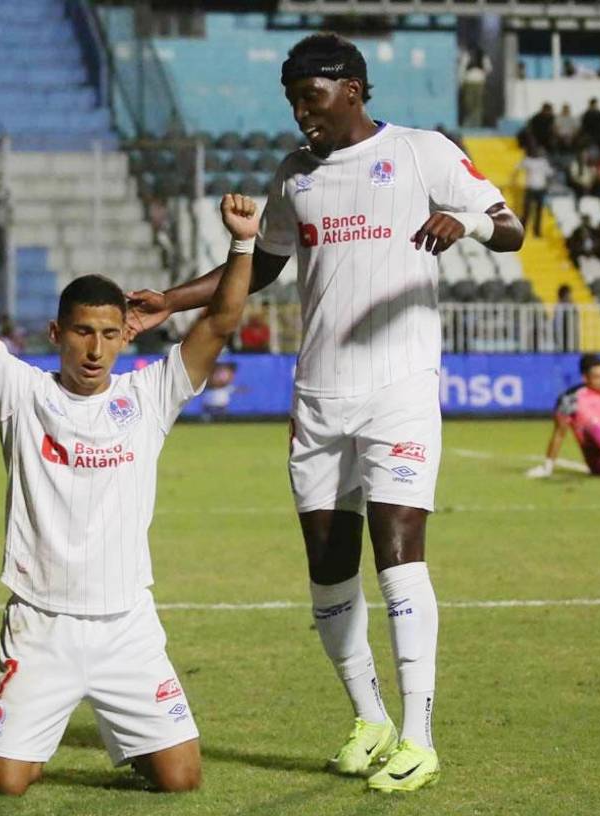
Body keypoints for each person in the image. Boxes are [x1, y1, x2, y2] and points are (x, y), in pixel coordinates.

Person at [125, 33, 524, 794]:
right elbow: (265, 263)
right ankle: (369, 717)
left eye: (310, 96)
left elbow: (511, 229)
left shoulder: (421, 152)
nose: (300, 111)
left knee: (399, 547)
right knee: (327, 565)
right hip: (318, 394)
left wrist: (464, 223)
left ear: (353, 88)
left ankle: (419, 737)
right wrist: (168, 302)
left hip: (399, 387)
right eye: (292, 99)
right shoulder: (294, 176)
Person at [0, 182, 259, 796]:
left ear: (125, 336)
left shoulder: (148, 396)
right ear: (57, 332)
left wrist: (242, 245)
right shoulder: (21, 394)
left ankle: (137, 740)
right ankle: (37, 734)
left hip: (127, 626)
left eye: (108, 334)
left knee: (181, 780)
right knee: (3, 784)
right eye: (83, 332)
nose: (95, 349)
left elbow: (221, 320)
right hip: (42, 623)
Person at [516, 147, 552, 238]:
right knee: (526, 211)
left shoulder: (543, 162)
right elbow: (517, 168)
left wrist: (547, 185)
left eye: (538, 151)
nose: (536, 152)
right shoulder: (528, 161)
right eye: (535, 150)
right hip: (530, 189)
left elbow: (549, 174)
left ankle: (537, 231)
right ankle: (523, 230)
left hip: (540, 189)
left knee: (538, 212)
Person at [457, 47, 490, 128]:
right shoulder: (467, 55)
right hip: (472, 82)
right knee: (470, 104)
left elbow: (488, 68)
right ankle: (470, 123)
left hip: (476, 81)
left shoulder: (482, 55)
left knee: (477, 105)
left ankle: (476, 124)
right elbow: (462, 69)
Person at [551, 284, 577, 352]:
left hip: (571, 337)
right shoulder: (558, 307)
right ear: (563, 296)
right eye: (568, 295)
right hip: (562, 337)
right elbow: (557, 324)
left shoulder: (572, 306)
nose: (570, 297)